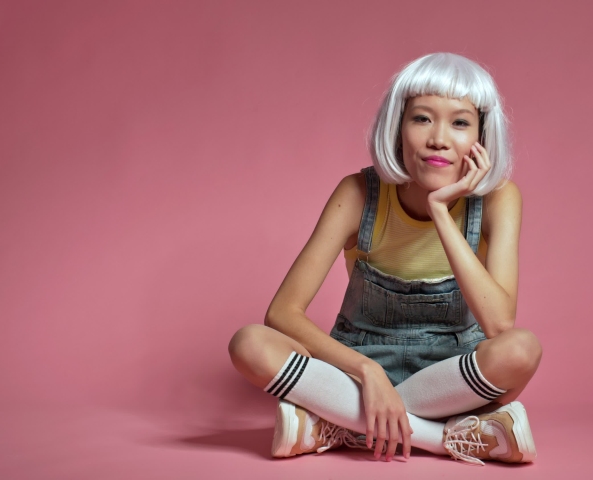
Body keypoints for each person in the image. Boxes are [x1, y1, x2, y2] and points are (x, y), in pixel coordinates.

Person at [228, 52, 542, 466]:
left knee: (521, 350)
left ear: (482, 136)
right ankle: (444, 438)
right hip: (356, 370)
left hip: (450, 375)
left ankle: (341, 425)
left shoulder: (499, 199)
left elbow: (499, 325)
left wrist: (439, 210)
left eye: (460, 122)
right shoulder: (358, 193)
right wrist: (367, 372)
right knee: (249, 343)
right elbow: (282, 313)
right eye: (422, 118)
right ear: (398, 127)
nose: (439, 139)